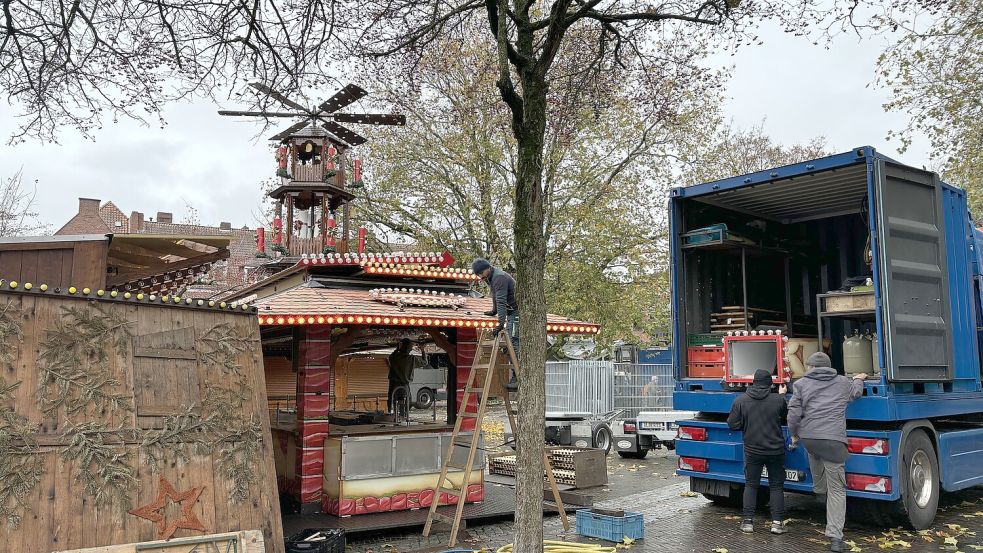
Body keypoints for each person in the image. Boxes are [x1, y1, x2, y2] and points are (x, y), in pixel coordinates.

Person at [788, 352, 866, 553]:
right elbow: (856, 393)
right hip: (833, 441)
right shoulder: (842, 382)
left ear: (812, 367)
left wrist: (794, 435)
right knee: (838, 489)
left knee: (814, 456)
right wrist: (858, 379)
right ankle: (835, 537)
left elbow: (794, 414)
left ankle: (819, 492)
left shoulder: (801, 384)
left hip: (810, 439)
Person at [727, 369, 789, 535]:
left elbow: (732, 424)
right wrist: (781, 396)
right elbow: (785, 416)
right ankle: (777, 523)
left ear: (753, 382)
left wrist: (745, 426)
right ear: (770, 384)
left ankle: (748, 522)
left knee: (751, 484)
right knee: (776, 486)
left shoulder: (740, 401)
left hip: (752, 450)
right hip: (775, 450)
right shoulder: (778, 400)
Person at [472, 258, 519, 389]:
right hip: (510, 313)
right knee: (507, 346)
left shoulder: (499, 278)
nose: (480, 277)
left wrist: (500, 324)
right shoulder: (491, 277)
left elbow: (501, 301)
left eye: (481, 274)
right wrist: (494, 311)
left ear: (487, 269)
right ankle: (515, 375)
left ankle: (518, 377)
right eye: (478, 275)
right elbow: (495, 296)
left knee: (514, 343)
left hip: (516, 313)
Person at [387, 339, 419, 420]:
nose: (411, 349)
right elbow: (425, 362)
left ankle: (395, 415)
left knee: (394, 398)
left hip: (394, 383)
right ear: (408, 348)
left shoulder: (395, 358)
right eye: (410, 347)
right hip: (404, 383)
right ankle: (402, 415)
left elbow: (390, 357)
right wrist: (422, 350)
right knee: (406, 399)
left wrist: (397, 349)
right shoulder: (411, 359)